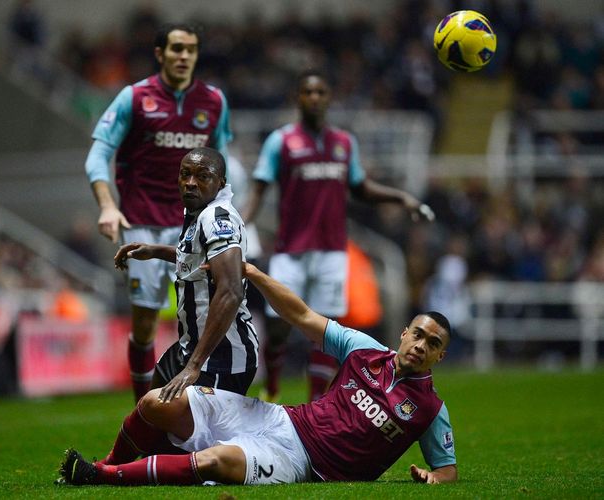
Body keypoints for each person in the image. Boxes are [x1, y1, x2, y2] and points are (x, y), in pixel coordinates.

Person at [57, 262, 457, 487]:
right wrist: (249, 272)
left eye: (432, 343)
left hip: (301, 464)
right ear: (405, 334)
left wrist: (433, 477)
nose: (421, 345)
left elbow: (448, 469)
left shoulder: (429, 408)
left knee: (214, 462)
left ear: (439, 356)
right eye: (418, 334)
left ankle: (101, 477)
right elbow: (301, 315)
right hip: (282, 418)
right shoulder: (364, 349)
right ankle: (108, 460)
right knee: (158, 401)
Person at [242, 69, 435, 402]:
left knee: (325, 332)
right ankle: (272, 385)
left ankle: (317, 402)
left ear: (329, 98)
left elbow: (361, 187)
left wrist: (401, 198)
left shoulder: (344, 143)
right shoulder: (282, 141)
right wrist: (239, 225)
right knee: (278, 328)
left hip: (332, 251)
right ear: (298, 98)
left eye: (320, 92)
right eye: (308, 92)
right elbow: (259, 189)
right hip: (290, 251)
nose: (314, 98)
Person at [84, 23, 233, 402]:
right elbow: (98, 155)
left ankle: (201, 406)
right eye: (177, 49)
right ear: (160, 54)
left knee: (205, 319)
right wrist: (107, 206)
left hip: (195, 226)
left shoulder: (213, 101)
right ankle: (142, 412)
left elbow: (221, 162)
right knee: (147, 322)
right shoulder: (134, 98)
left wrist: (227, 212)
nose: (184, 56)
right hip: (143, 224)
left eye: (191, 50)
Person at [113, 147, 258, 405]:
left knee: (195, 440)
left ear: (220, 183)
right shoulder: (198, 212)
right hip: (190, 345)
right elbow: (198, 258)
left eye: (202, 176)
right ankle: (122, 449)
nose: (190, 183)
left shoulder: (217, 219)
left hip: (220, 357)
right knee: (146, 414)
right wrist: (155, 251)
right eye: (185, 175)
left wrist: (195, 365)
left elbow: (231, 291)